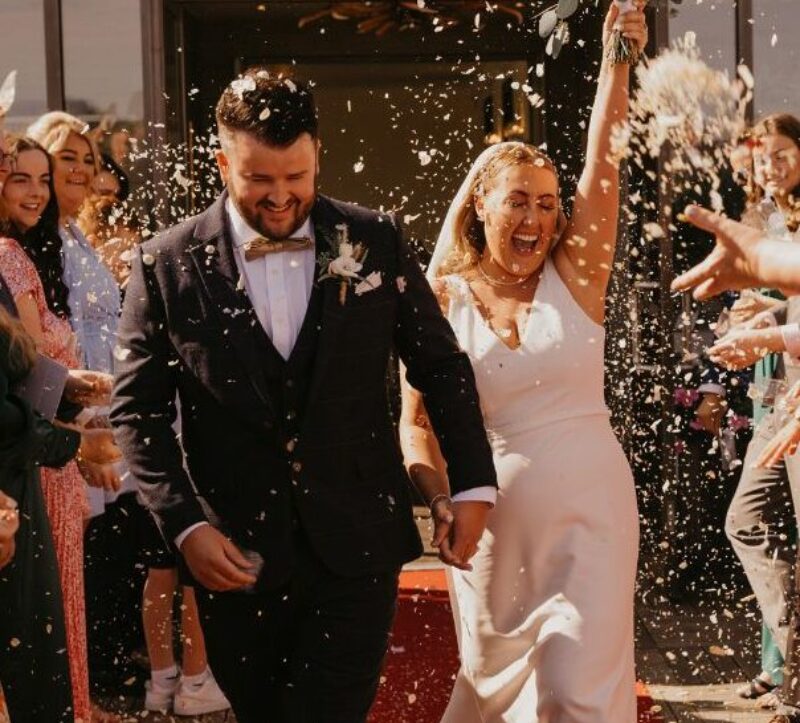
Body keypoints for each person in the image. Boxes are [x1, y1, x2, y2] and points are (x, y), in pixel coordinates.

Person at [110, 69, 497, 723]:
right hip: (235, 558)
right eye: (259, 178)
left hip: (357, 547)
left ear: (318, 153)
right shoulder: (166, 263)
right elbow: (137, 411)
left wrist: (472, 485)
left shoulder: (375, 238)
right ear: (222, 160)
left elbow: (441, 365)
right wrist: (186, 524)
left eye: (297, 175)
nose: (281, 196)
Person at [399, 4, 646, 722]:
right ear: (481, 203)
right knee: (502, 698)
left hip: (592, 516)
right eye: (519, 202)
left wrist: (616, 63)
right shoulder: (438, 296)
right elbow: (415, 424)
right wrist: (440, 498)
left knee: (575, 693)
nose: (537, 218)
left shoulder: (578, 280)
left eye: (548, 203)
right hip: (491, 531)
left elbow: (605, 163)